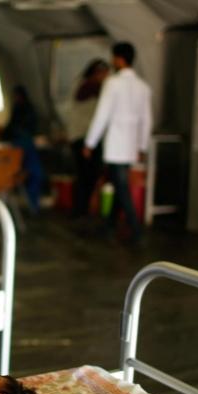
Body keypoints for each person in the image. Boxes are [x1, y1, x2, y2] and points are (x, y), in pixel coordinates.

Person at [83, 42, 152, 245]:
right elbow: (146, 119)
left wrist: (90, 142)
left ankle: (136, 229)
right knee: (117, 182)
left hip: (115, 146)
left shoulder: (112, 83)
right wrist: (142, 146)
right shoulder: (143, 87)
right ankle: (109, 226)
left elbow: (102, 115)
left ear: (119, 59)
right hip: (130, 146)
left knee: (121, 187)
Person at [67, 59, 109, 218]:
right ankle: (80, 209)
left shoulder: (93, 87)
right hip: (83, 138)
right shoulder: (87, 86)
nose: (105, 77)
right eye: (102, 73)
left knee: (88, 174)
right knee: (85, 174)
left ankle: (82, 209)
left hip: (89, 138)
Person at [1, 85, 44, 213]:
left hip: (22, 146)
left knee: (29, 174)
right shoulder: (26, 109)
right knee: (33, 174)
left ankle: (32, 206)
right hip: (26, 147)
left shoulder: (22, 109)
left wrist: (5, 135)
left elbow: (11, 127)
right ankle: (33, 206)